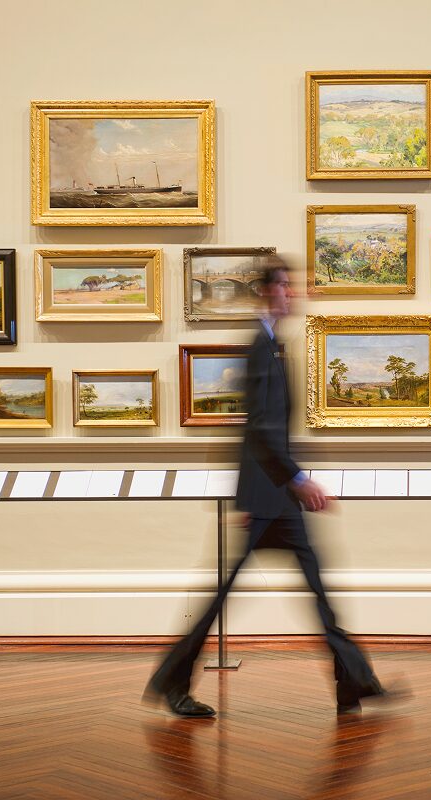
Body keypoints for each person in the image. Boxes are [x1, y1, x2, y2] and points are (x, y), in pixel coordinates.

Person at [144, 256, 393, 718]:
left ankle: (353, 683)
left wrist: (292, 480)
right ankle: (172, 682)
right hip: (268, 499)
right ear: (266, 292)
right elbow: (257, 429)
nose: (291, 294)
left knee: (319, 593)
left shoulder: (274, 344)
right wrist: (296, 479)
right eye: (283, 286)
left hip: (276, 497)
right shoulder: (261, 346)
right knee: (227, 597)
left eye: (292, 286)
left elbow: (267, 430)